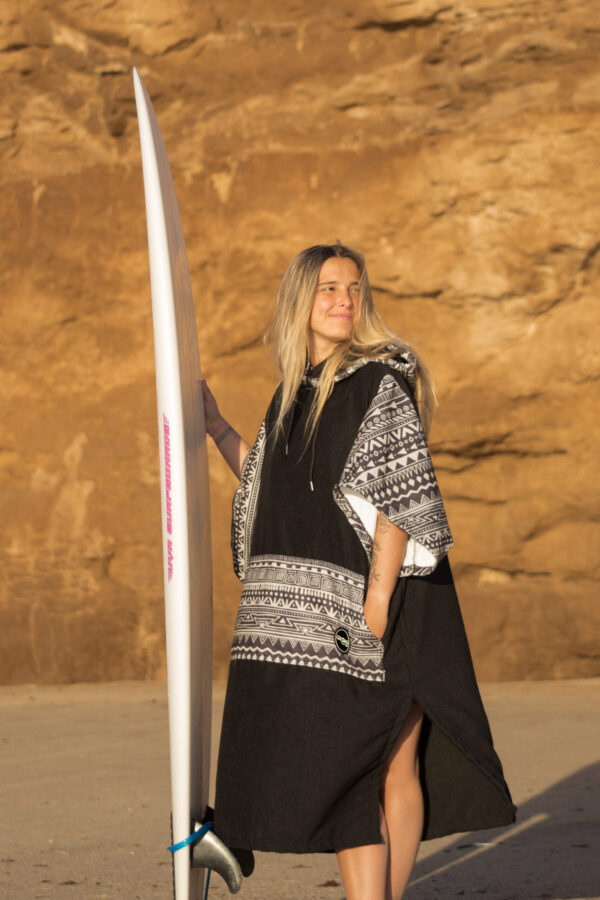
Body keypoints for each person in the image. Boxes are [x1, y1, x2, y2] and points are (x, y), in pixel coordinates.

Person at [202, 243, 515, 900]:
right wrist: (214, 424)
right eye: (328, 289)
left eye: (352, 289)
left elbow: (399, 499)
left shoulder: (378, 383)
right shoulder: (293, 395)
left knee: (371, 763)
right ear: (301, 301)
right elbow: (267, 482)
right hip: (344, 609)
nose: (344, 300)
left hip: (394, 604)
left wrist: (375, 601)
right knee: (379, 765)